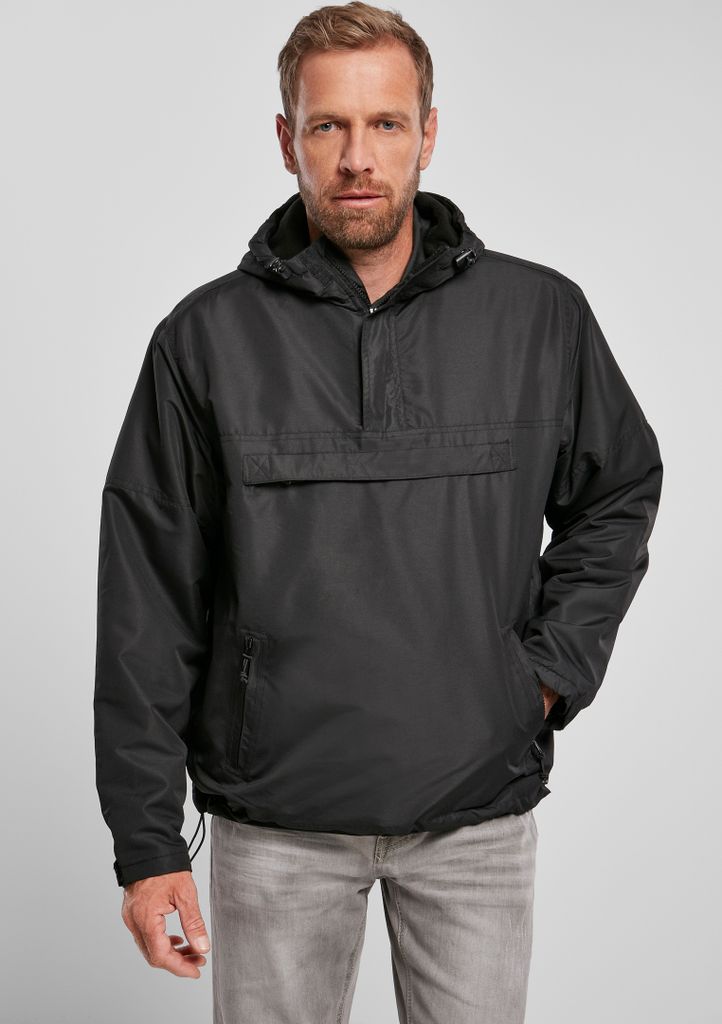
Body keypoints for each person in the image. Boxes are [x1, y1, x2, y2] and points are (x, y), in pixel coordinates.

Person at [93, 2, 664, 1021]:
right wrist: (146, 848)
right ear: (287, 140)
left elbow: (616, 492)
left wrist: (537, 679)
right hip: (276, 822)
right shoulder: (204, 339)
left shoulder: (538, 317)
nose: (357, 157)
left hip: (474, 818)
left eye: (385, 123)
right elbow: (148, 596)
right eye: (328, 126)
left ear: (427, 134)